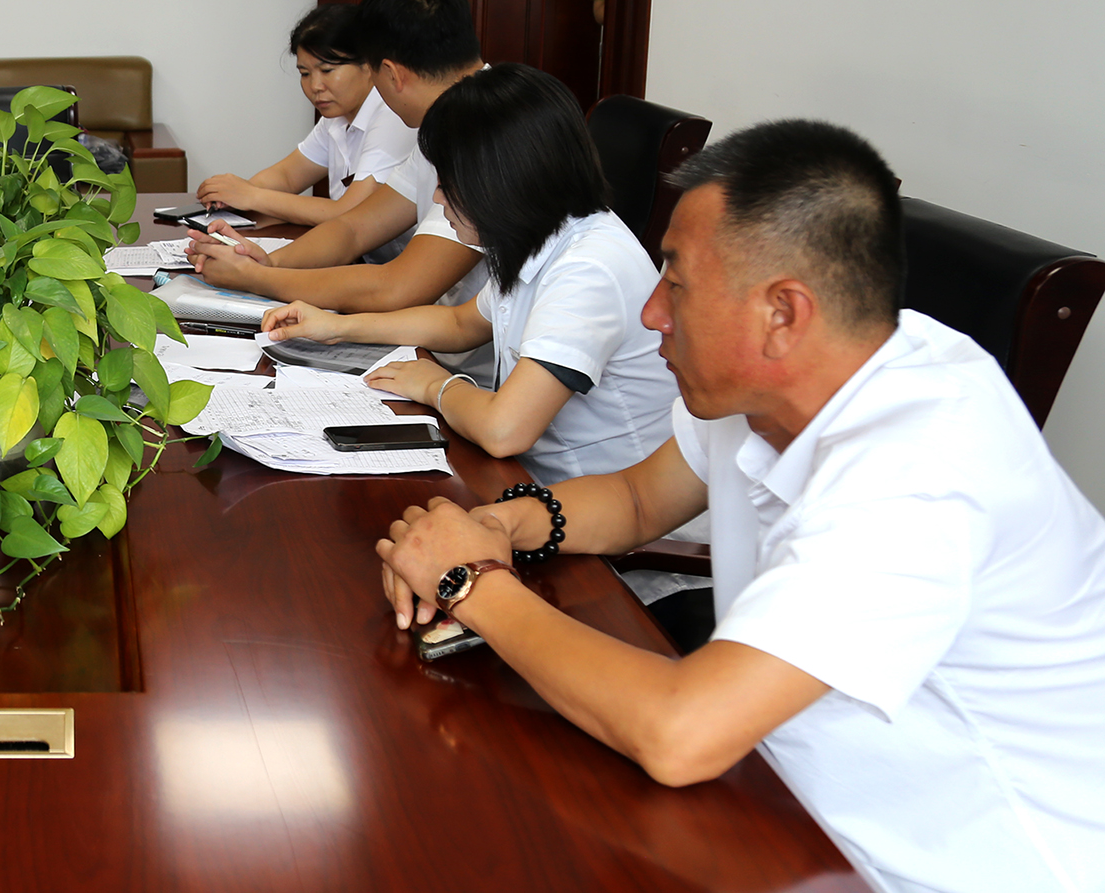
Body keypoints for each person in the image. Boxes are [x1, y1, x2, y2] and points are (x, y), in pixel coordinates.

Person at [372, 121, 1105, 893]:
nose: (651, 312)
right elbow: (636, 498)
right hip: (782, 794)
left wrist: (471, 582)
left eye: (677, 283)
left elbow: (680, 732)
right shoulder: (773, 382)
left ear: (782, 313)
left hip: (951, 869)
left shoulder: (922, 466)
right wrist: (501, 523)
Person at [262, 64, 675, 482]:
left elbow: (504, 430)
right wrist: (337, 327)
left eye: (448, 183)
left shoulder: (588, 269)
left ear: (500, 180)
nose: (438, 198)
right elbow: (460, 323)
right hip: (534, 477)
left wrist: (435, 386)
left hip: (597, 501)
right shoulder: (538, 232)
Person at [190, 0, 487, 317]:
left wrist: (256, 278)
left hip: (474, 347)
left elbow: (397, 287)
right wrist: (268, 262)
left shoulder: (485, 133)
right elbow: (354, 228)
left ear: (391, 73)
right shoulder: (448, 119)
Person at [191, 3, 420, 226]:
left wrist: (252, 196)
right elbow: (287, 176)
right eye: (305, 73)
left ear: (369, 65)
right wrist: (232, 195)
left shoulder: (394, 115)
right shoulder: (336, 117)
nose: (315, 86)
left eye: (327, 70)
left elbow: (351, 213)